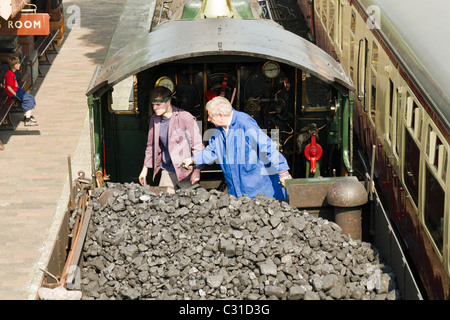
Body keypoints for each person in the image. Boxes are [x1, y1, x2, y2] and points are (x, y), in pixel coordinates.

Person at [179, 96, 292, 200]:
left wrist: (283, 172)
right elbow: (212, 151)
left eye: (210, 116)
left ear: (220, 116)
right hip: (236, 189)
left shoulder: (245, 123)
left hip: (257, 189)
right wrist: (193, 160)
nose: (208, 119)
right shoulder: (219, 131)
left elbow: (267, 147)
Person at [139, 86, 204, 193]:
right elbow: (151, 146)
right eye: (153, 104)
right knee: (164, 203)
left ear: (168, 102)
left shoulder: (185, 117)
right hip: (166, 170)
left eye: (158, 104)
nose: (154, 107)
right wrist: (145, 169)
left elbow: (197, 145)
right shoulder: (155, 119)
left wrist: (197, 170)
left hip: (186, 172)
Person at [3, 56, 38, 126]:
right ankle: (27, 120)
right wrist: (15, 94)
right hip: (14, 93)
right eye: (17, 64)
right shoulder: (9, 74)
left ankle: (28, 115)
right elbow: (8, 87)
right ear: (13, 66)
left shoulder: (12, 72)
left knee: (30, 97)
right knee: (28, 100)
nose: (19, 65)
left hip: (16, 90)